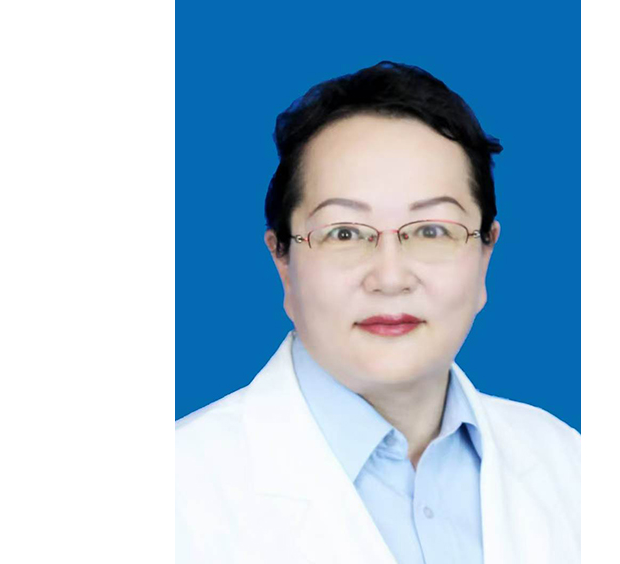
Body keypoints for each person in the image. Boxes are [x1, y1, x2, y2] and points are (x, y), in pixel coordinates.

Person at [175, 61, 580, 564]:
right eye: (344, 233)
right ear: (283, 261)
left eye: (432, 231)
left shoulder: (568, 465)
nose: (390, 278)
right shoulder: (179, 493)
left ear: (485, 255)